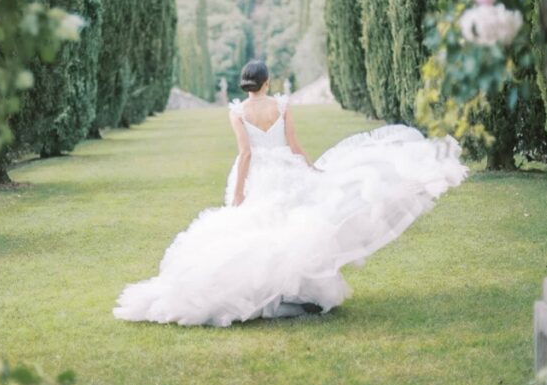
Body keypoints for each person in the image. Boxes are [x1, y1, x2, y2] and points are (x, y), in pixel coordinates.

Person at [113, 59, 467, 327]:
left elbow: (246, 153)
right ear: (267, 83)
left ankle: (275, 293)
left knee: (257, 229)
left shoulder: (238, 112)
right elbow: (295, 145)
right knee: (294, 228)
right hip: (286, 171)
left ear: (245, 85)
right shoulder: (281, 106)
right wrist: (312, 170)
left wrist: (238, 193)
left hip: (259, 175)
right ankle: (289, 292)